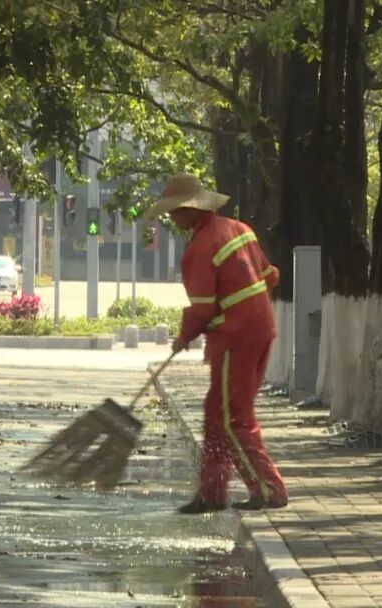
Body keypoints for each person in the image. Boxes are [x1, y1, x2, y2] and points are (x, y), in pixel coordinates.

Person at [145, 173, 289, 514]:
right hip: (260, 330)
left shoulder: (199, 249)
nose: (172, 218)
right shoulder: (240, 230)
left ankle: (269, 489)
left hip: (235, 338)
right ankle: (211, 493)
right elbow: (272, 275)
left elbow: (203, 308)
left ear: (191, 210)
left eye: (175, 212)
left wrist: (184, 337)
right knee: (216, 416)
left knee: (231, 418)